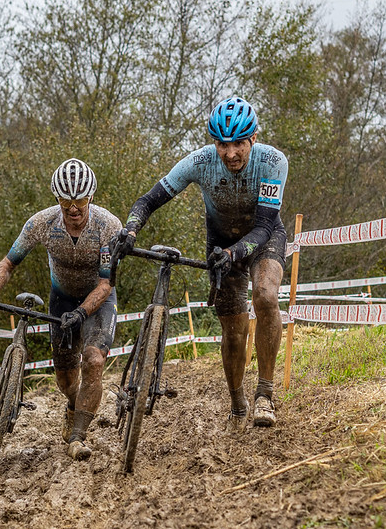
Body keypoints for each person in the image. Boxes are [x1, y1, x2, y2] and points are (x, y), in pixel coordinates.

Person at [111, 96, 287, 430]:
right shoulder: (200, 162)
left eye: (238, 143)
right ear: (214, 143)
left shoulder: (273, 162)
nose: (231, 153)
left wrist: (235, 253)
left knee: (265, 295)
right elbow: (148, 200)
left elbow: (265, 226)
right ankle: (238, 402)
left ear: (253, 138)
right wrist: (130, 229)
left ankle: (265, 393)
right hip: (220, 244)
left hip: (263, 236)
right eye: (222, 144)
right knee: (233, 332)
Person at [0, 158, 122, 460]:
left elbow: (106, 284)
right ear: (57, 199)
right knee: (66, 380)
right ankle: (72, 405)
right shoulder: (41, 223)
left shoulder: (108, 226)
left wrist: (82, 312)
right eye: (66, 201)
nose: (74, 208)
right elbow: (8, 263)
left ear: (90, 196)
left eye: (80, 200)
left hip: (99, 298)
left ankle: (78, 437)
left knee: (93, 361)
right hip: (62, 298)